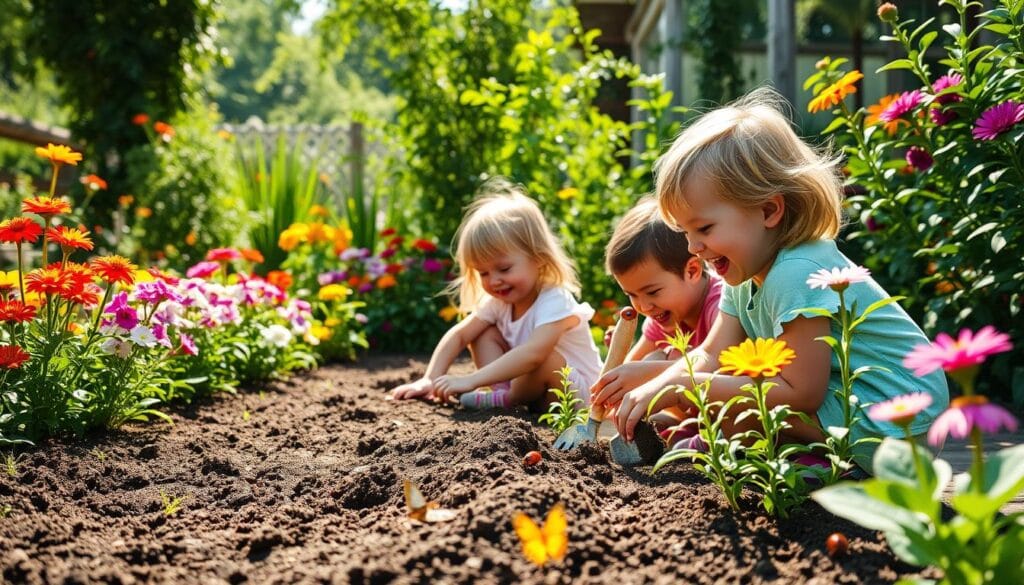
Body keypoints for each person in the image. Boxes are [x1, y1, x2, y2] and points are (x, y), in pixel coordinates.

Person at [592, 88, 949, 472]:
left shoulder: (798, 270)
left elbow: (801, 393)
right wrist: (658, 385)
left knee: (727, 401)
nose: (693, 247)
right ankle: (808, 467)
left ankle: (826, 471)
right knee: (726, 395)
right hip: (859, 412)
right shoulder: (743, 272)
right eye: (685, 233)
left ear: (768, 210)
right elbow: (709, 356)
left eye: (705, 228)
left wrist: (688, 386)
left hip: (900, 425)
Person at [390, 178, 601, 411]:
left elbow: (533, 355)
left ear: (538, 257)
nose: (494, 281)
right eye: (483, 273)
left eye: (504, 269)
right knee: (482, 332)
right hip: (534, 396)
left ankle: (506, 400)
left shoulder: (554, 299)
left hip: (578, 397)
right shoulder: (499, 303)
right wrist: (430, 379)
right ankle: (501, 393)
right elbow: (459, 336)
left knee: (545, 359)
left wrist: (470, 380)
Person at [592, 197, 723, 442]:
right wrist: (619, 368)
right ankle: (679, 426)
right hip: (691, 410)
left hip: (728, 413)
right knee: (654, 358)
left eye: (652, 292)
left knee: (659, 362)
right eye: (631, 295)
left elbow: (728, 375)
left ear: (692, 270)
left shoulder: (720, 307)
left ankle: (702, 435)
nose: (643, 306)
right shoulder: (661, 315)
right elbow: (633, 364)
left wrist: (648, 372)